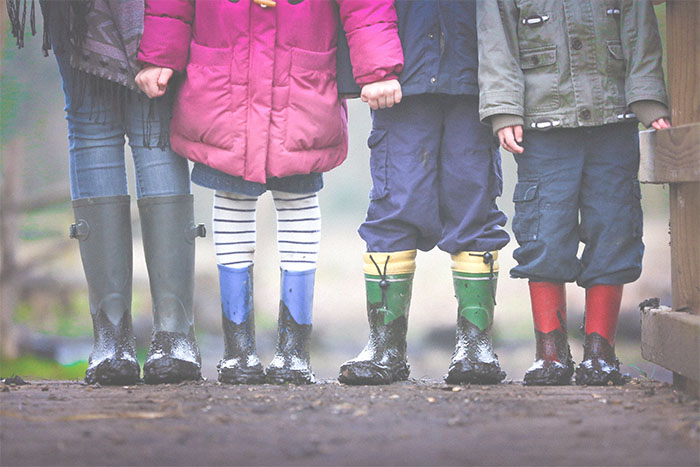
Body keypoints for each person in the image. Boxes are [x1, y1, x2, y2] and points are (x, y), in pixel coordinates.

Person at [136, 0, 404, 385]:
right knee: (232, 198)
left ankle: (294, 351)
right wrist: (161, 52)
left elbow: (366, 6)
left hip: (301, 81)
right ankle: (238, 351)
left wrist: (377, 67)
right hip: (224, 79)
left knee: (297, 202)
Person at [6, 0, 205, 385]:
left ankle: (157, 335)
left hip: (144, 15)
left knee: (141, 130)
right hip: (82, 17)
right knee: (103, 128)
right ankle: (129, 337)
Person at [477, 0, 670, 385]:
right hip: (541, 124)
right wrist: (505, 110)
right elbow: (495, 41)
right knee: (543, 232)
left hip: (614, 118)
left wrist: (648, 98)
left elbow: (640, 26)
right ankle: (550, 353)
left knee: (614, 229)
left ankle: (601, 352)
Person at [336, 0, 511, 385]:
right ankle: (385, 346)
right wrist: (372, 65)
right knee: (395, 205)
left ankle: (475, 342)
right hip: (398, 78)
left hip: (478, 77)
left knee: (475, 205)